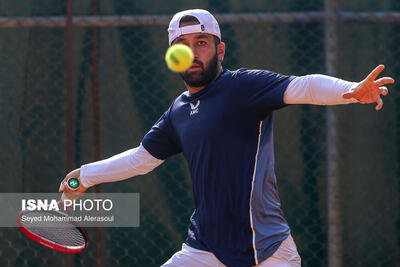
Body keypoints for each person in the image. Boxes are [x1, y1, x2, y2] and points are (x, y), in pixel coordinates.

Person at [59, 9, 394, 267]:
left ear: (220, 50)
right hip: (203, 249)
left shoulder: (244, 87)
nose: (192, 52)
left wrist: (350, 91)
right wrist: (83, 176)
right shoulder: (178, 111)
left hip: (267, 250)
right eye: (182, 46)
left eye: (201, 43)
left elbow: (304, 85)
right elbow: (141, 160)